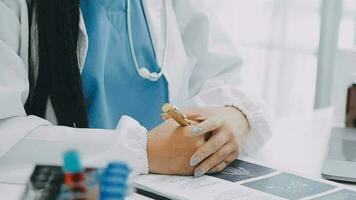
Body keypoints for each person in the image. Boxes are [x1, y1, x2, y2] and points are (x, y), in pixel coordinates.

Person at [0, 0, 271, 177]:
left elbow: (224, 74)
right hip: (78, 189)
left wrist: (235, 114)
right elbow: (6, 138)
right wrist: (142, 152)